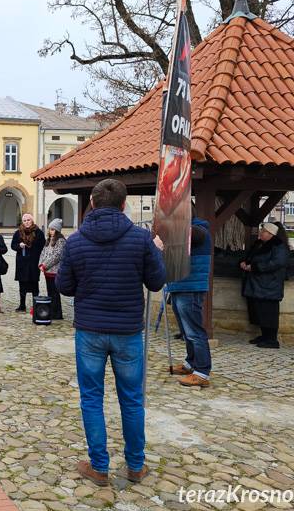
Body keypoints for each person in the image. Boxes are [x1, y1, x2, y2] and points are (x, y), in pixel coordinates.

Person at [55, 178, 165, 486]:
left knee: (91, 398)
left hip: (90, 330)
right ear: (123, 204)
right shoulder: (141, 239)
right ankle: (135, 465)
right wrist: (155, 252)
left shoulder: (75, 241)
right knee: (131, 399)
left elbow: (64, 286)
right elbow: (156, 282)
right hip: (127, 331)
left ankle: (99, 466)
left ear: (91, 204)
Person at [165, 217, 212, 387]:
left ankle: (202, 372)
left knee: (194, 332)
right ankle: (190, 364)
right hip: (179, 285)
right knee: (186, 332)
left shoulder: (199, 229)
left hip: (190, 286)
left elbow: (191, 233)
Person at [241, 222, 289, 349]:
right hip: (259, 284)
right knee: (261, 312)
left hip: (270, 285)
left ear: (271, 234)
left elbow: (277, 263)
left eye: (263, 231)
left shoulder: (279, 246)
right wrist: (245, 263)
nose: (261, 233)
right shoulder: (260, 244)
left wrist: (255, 267)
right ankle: (265, 336)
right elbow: (252, 258)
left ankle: (272, 339)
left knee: (269, 313)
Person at [11, 213, 46, 312]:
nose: (26, 222)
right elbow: (13, 245)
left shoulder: (38, 232)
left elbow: (43, 247)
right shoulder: (18, 233)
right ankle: (22, 305)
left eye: (28, 220)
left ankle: (36, 306)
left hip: (34, 263)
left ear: (32, 220)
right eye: (24, 220)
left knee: (34, 285)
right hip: (22, 263)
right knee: (22, 285)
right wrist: (19, 245)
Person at [39, 218, 66, 320]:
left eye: (53, 229)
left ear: (57, 230)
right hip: (47, 272)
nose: (51, 231)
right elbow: (43, 253)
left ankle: (57, 314)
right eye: (50, 229)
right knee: (50, 292)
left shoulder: (61, 241)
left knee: (55, 293)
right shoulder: (48, 240)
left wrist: (45, 265)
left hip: (55, 272)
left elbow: (56, 256)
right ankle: (52, 311)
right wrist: (40, 264)